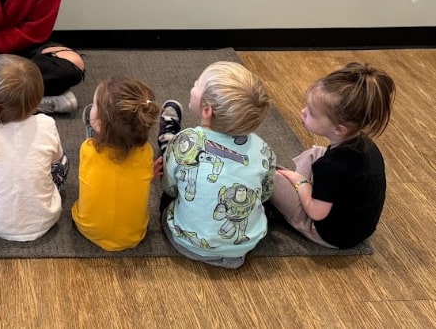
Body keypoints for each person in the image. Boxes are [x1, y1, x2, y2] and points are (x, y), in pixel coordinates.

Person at [159, 61, 276, 269]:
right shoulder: (263, 148)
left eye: (198, 84)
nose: (194, 84)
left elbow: (170, 187)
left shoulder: (187, 139)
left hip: (188, 243)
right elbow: (266, 194)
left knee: (171, 178)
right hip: (246, 245)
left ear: (206, 110)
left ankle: (168, 138)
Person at [270, 62, 394, 249]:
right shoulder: (363, 143)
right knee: (316, 152)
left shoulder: (333, 166)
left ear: (339, 128)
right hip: (355, 226)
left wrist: (299, 183)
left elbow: (316, 213)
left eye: (311, 113)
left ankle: (282, 199)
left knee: (268, 177)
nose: (303, 112)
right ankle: (297, 189)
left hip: (328, 233)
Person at [0, 55, 68, 241]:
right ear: (38, 99)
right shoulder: (47, 123)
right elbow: (56, 159)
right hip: (48, 218)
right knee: (61, 160)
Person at [71, 78, 160, 251]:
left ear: (99, 121)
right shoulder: (146, 152)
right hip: (134, 235)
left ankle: (97, 135)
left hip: (88, 229)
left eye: (94, 106)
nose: (92, 107)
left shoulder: (87, 150)